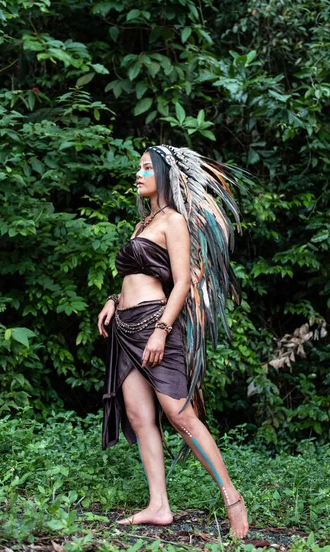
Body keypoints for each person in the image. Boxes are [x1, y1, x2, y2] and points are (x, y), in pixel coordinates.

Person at [98, 144, 249, 539]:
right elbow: (139, 277)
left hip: (154, 324)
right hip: (125, 327)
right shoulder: (143, 223)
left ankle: (231, 495)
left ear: (164, 175)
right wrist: (114, 301)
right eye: (138, 167)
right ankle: (159, 506)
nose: (138, 173)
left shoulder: (174, 222)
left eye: (146, 168)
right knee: (139, 417)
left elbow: (181, 282)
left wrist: (163, 330)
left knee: (180, 415)